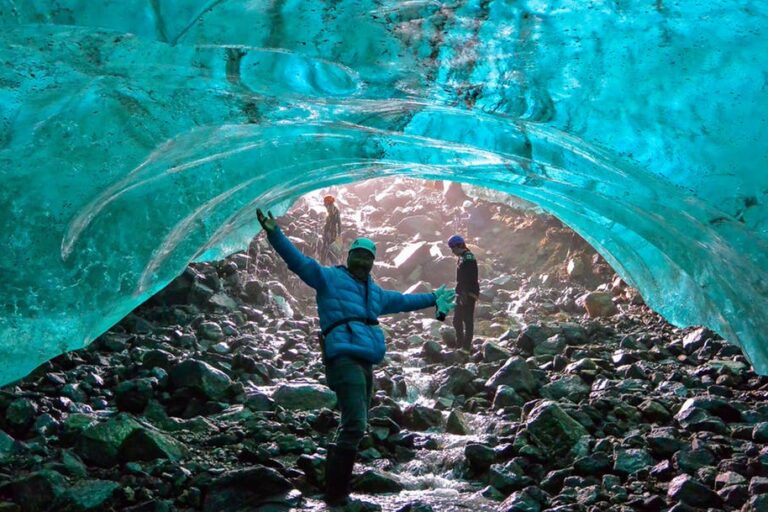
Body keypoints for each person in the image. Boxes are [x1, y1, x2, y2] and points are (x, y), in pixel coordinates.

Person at [256, 208, 455, 506]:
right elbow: (298, 262)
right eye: (358, 255)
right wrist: (274, 232)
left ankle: (334, 488)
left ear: (372, 262)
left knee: (352, 423)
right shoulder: (328, 278)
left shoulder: (374, 292)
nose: (362, 261)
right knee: (355, 425)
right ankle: (336, 495)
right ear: (349, 256)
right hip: (344, 358)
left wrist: (432, 298)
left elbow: (401, 300)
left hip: (366, 363)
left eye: (367, 257)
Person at [447, 234, 479, 351]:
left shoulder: (468, 257)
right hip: (462, 292)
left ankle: (465, 347)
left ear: (459, 245)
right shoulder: (462, 256)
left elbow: (469, 276)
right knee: (457, 319)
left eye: (453, 248)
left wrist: (465, 293)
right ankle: (460, 343)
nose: (452, 251)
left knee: (467, 320)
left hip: (468, 292)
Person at [319, 195, 342, 265]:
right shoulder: (334, 209)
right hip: (332, 232)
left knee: (326, 249)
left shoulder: (332, 208)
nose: (324, 204)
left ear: (328, 202)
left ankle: (323, 263)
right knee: (328, 248)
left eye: (325, 202)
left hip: (330, 232)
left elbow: (334, 222)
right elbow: (338, 222)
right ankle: (331, 264)